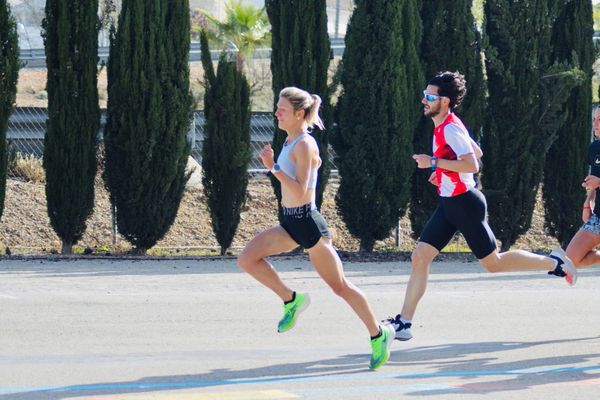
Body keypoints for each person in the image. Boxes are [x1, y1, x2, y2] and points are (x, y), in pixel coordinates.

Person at [383, 71, 577, 342]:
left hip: (465, 204)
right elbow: (477, 152)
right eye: (424, 95)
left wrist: (435, 163)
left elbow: (473, 164)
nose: (423, 101)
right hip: (449, 203)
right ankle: (404, 322)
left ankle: (554, 262)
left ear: (445, 101)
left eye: (430, 97)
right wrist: (444, 172)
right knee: (420, 257)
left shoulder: (449, 127)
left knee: (493, 264)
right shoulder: (446, 125)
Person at [237, 86, 394, 369]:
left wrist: (272, 168)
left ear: (299, 114)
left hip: (309, 225)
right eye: (276, 108)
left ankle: (379, 333)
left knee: (340, 287)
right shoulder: (289, 141)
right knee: (247, 258)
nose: (276, 114)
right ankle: (292, 300)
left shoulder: (305, 145)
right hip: (290, 222)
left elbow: (300, 192)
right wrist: (274, 166)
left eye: (281, 110)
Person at [563, 107, 600, 267]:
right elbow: (594, 178)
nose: (596, 124)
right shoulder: (595, 148)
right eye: (594, 119)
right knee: (571, 260)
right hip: (598, 217)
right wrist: (588, 202)